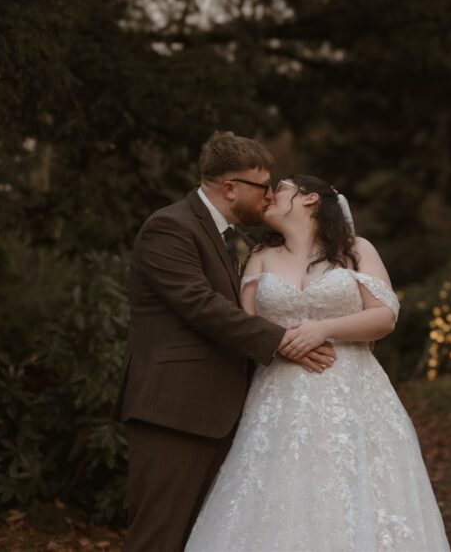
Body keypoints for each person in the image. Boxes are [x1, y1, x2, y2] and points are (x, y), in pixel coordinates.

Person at [185, 174, 451, 552]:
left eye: (281, 188)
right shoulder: (260, 256)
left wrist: (322, 329)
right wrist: (287, 345)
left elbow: (385, 315)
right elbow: (246, 325)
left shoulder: (356, 249)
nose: (270, 195)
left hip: (353, 393)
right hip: (279, 395)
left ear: (310, 199)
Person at [112, 133, 337, 552]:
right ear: (230, 187)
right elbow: (201, 306)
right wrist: (285, 341)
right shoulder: (170, 227)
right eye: (262, 186)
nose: (269, 195)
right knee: (158, 537)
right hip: (174, 410)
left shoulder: (233, 237)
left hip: (220, 410)